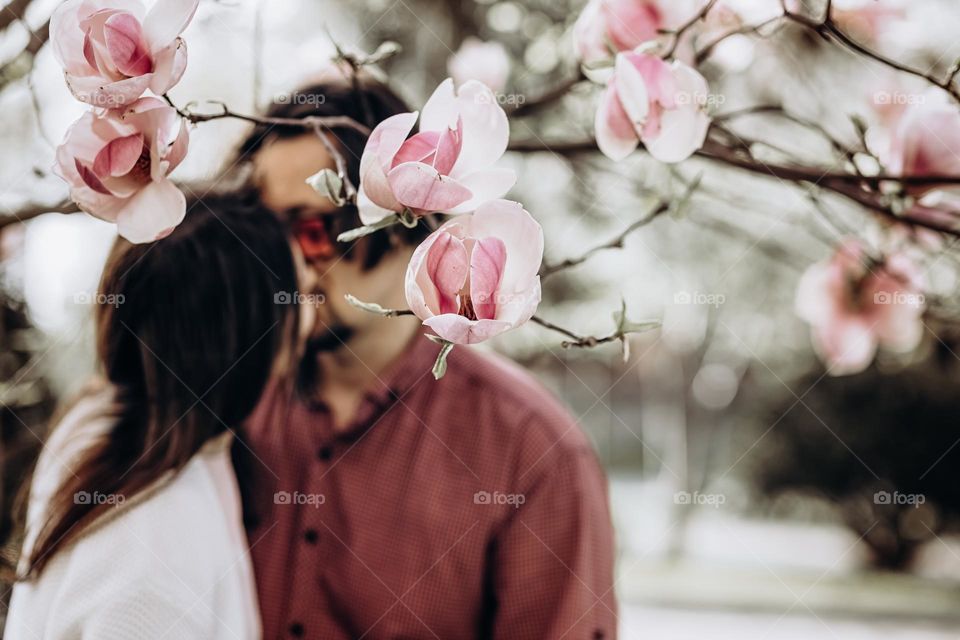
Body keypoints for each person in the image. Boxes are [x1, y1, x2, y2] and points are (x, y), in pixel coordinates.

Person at [234, 78, 619, 639]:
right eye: (263, 234)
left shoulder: (530, 450)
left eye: (314, 229)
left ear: (408, 218)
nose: (285, 262)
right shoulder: (227, 405)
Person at [4, 195, 315, 639]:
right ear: (244, 340)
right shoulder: (157, 558)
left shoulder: (105, 419)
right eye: (295, 297)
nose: (309, 313)